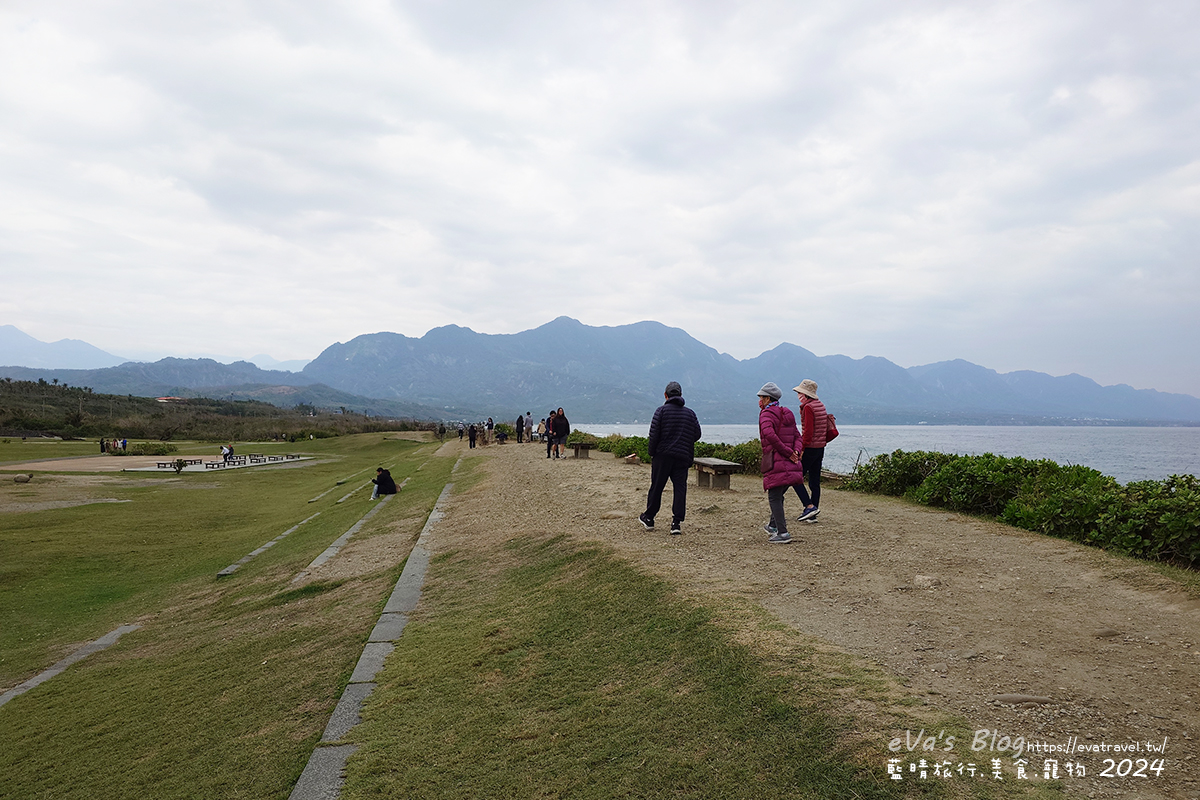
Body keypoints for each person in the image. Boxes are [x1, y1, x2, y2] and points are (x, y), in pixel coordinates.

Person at [639, 381, 702, 535]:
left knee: (657, 486)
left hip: (663, 456)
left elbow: (654, 435)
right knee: (680, 488)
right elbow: (697, 434)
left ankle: (649, 518)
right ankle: (676, 523)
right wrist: (684, 441)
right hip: (682, 456)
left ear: (666, 395)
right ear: (680, 395)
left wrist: (652, 452)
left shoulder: (661, 411)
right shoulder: (690, 413)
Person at [758, 382, 805, 544]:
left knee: (774, 496)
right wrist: (796, 452)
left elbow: (770, 435)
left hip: (777, 462)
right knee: (778, 495)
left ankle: (782, 532)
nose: (759, 401)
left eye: (761, 398)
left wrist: (787, 452)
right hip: (792, 463)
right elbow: (798, 436)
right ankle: (773, 526)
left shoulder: (766, 414)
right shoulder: (787, 413)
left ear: (767, 398)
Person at [793, 379, 828, 522]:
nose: (798, 395)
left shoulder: (808, 407)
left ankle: (809, 507)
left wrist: (801, 448)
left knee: (795, 477)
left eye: (800, 392)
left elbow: (807, 432)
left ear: (805, 394)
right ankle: (813, 512)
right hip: (820, 447)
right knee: (814, 481)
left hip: (810, 448)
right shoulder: (820, 405)